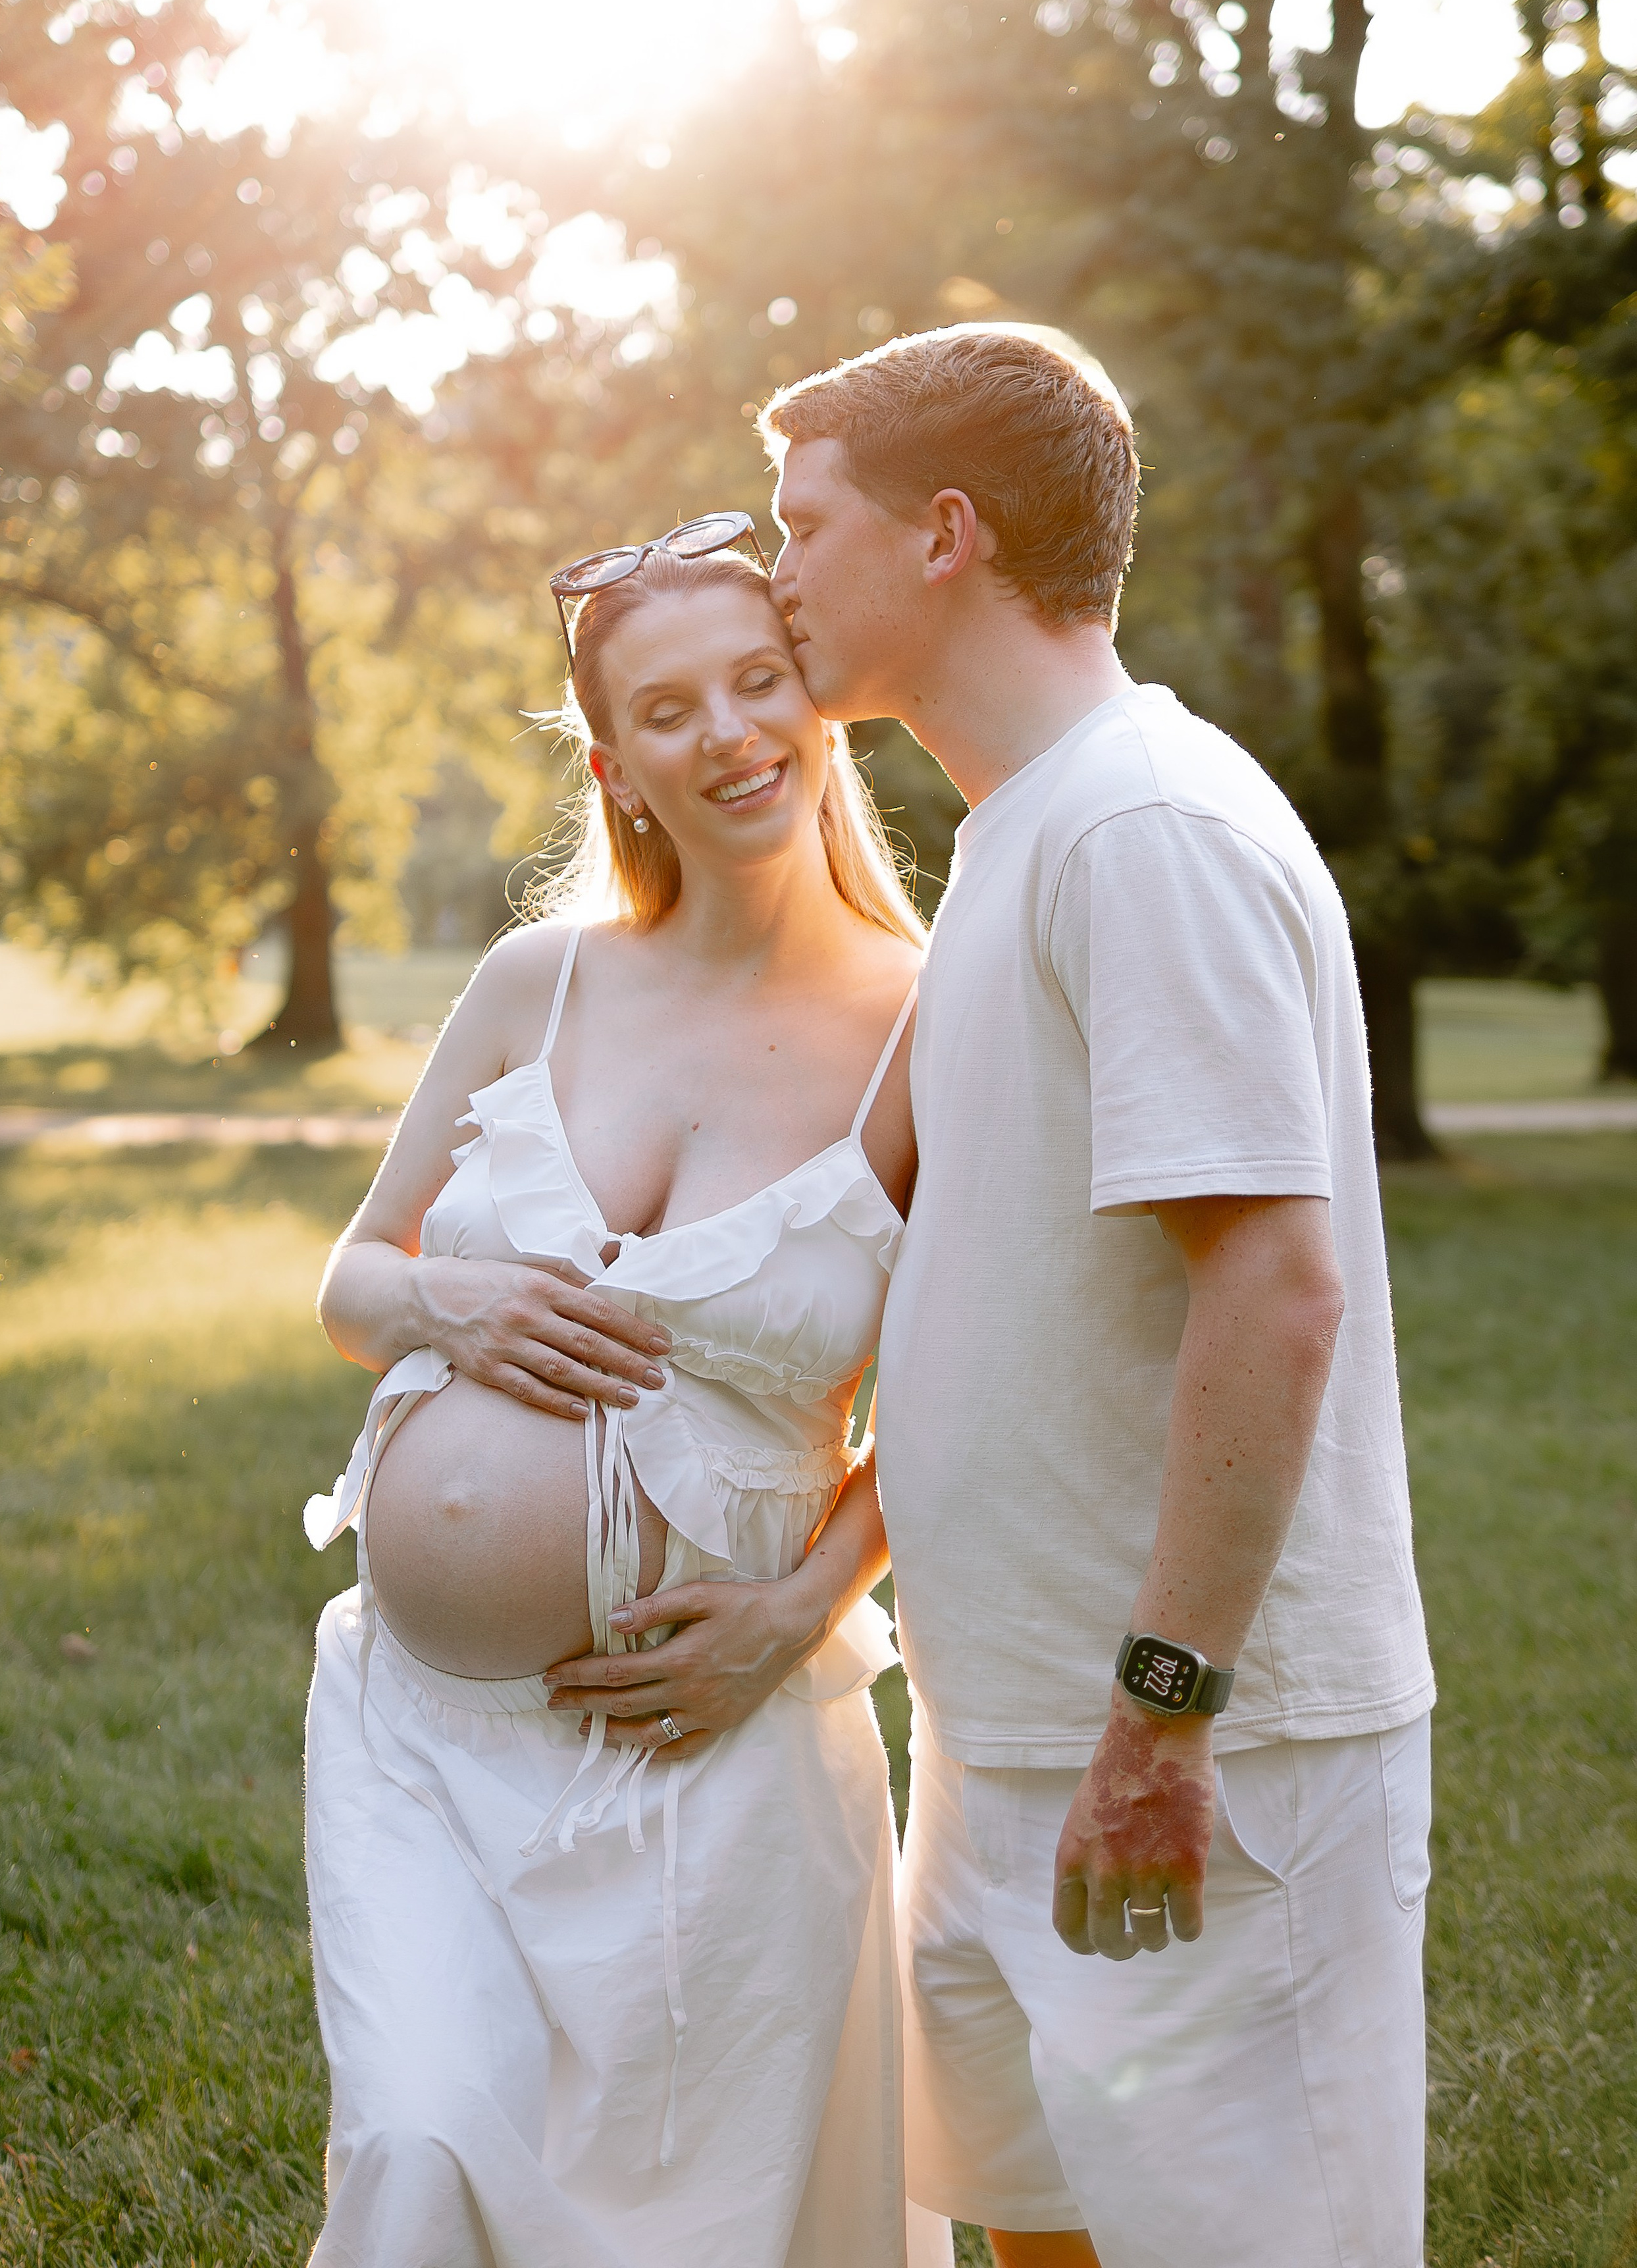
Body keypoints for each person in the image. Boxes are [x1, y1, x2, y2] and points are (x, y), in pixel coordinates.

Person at [592, 325, 1436, 2268]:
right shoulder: (1017, 837)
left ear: (945, 536)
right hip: (1006, 1735)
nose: (778, 572)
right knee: (1032, 2230)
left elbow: (1280, 1291)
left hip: (1198, 1754)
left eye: (807, 526)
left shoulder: (1148, 829)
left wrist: (1162, 1719)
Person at [299, 524, 954, 2268]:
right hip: (426, 1746)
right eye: (669, 709)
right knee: (418, 2163)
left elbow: (979, 1400)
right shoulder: (540, 983)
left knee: (682, 2240)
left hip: (711, 1749)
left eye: (762, 682)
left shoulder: (931, 1026)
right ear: (617, 768)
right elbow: (353, 1280)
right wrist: (454, 1295)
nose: (732, 731)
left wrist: (805, 1612)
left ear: (824, 705)